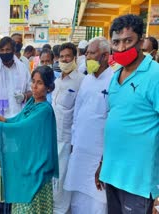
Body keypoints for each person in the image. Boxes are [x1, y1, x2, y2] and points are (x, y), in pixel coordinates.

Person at [95, 14, 159, 214]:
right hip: (113, 175)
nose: (121, 48)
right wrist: (103, 163)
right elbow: (116, 120)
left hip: (138, 181)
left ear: (141, 41)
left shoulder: (155, 75)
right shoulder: (116, 76)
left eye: (128, 41)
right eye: (116, 42)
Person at [0, 65, 58, 213]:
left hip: (38, 165)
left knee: (31, 206)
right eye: (33, 81)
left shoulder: (44, 110)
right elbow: (17, 121)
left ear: (48, 87)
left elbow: (23, 128)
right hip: (27, 161)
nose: (34, 86)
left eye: (39, 83)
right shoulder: (31, 103)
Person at [63, 37, 112, 214]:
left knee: (97, 202)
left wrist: (104, 160)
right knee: (77, 200)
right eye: (87, 53)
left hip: (98, 154)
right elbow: (78, 113)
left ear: (105, 56)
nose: (87, 57)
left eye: (92, 53)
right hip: (80, 151)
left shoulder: (112, 81)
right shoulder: (87, 80)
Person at [51, 42, 84, 214]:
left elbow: (80, 114)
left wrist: (75, 142)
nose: (64, 59)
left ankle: (61, 211)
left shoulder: (81, 81)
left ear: (74, 58)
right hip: (53, 138)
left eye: (68, 56)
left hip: (67, 140)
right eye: (61, 56)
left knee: (62, 180)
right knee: (54, 180)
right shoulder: (56, 81)